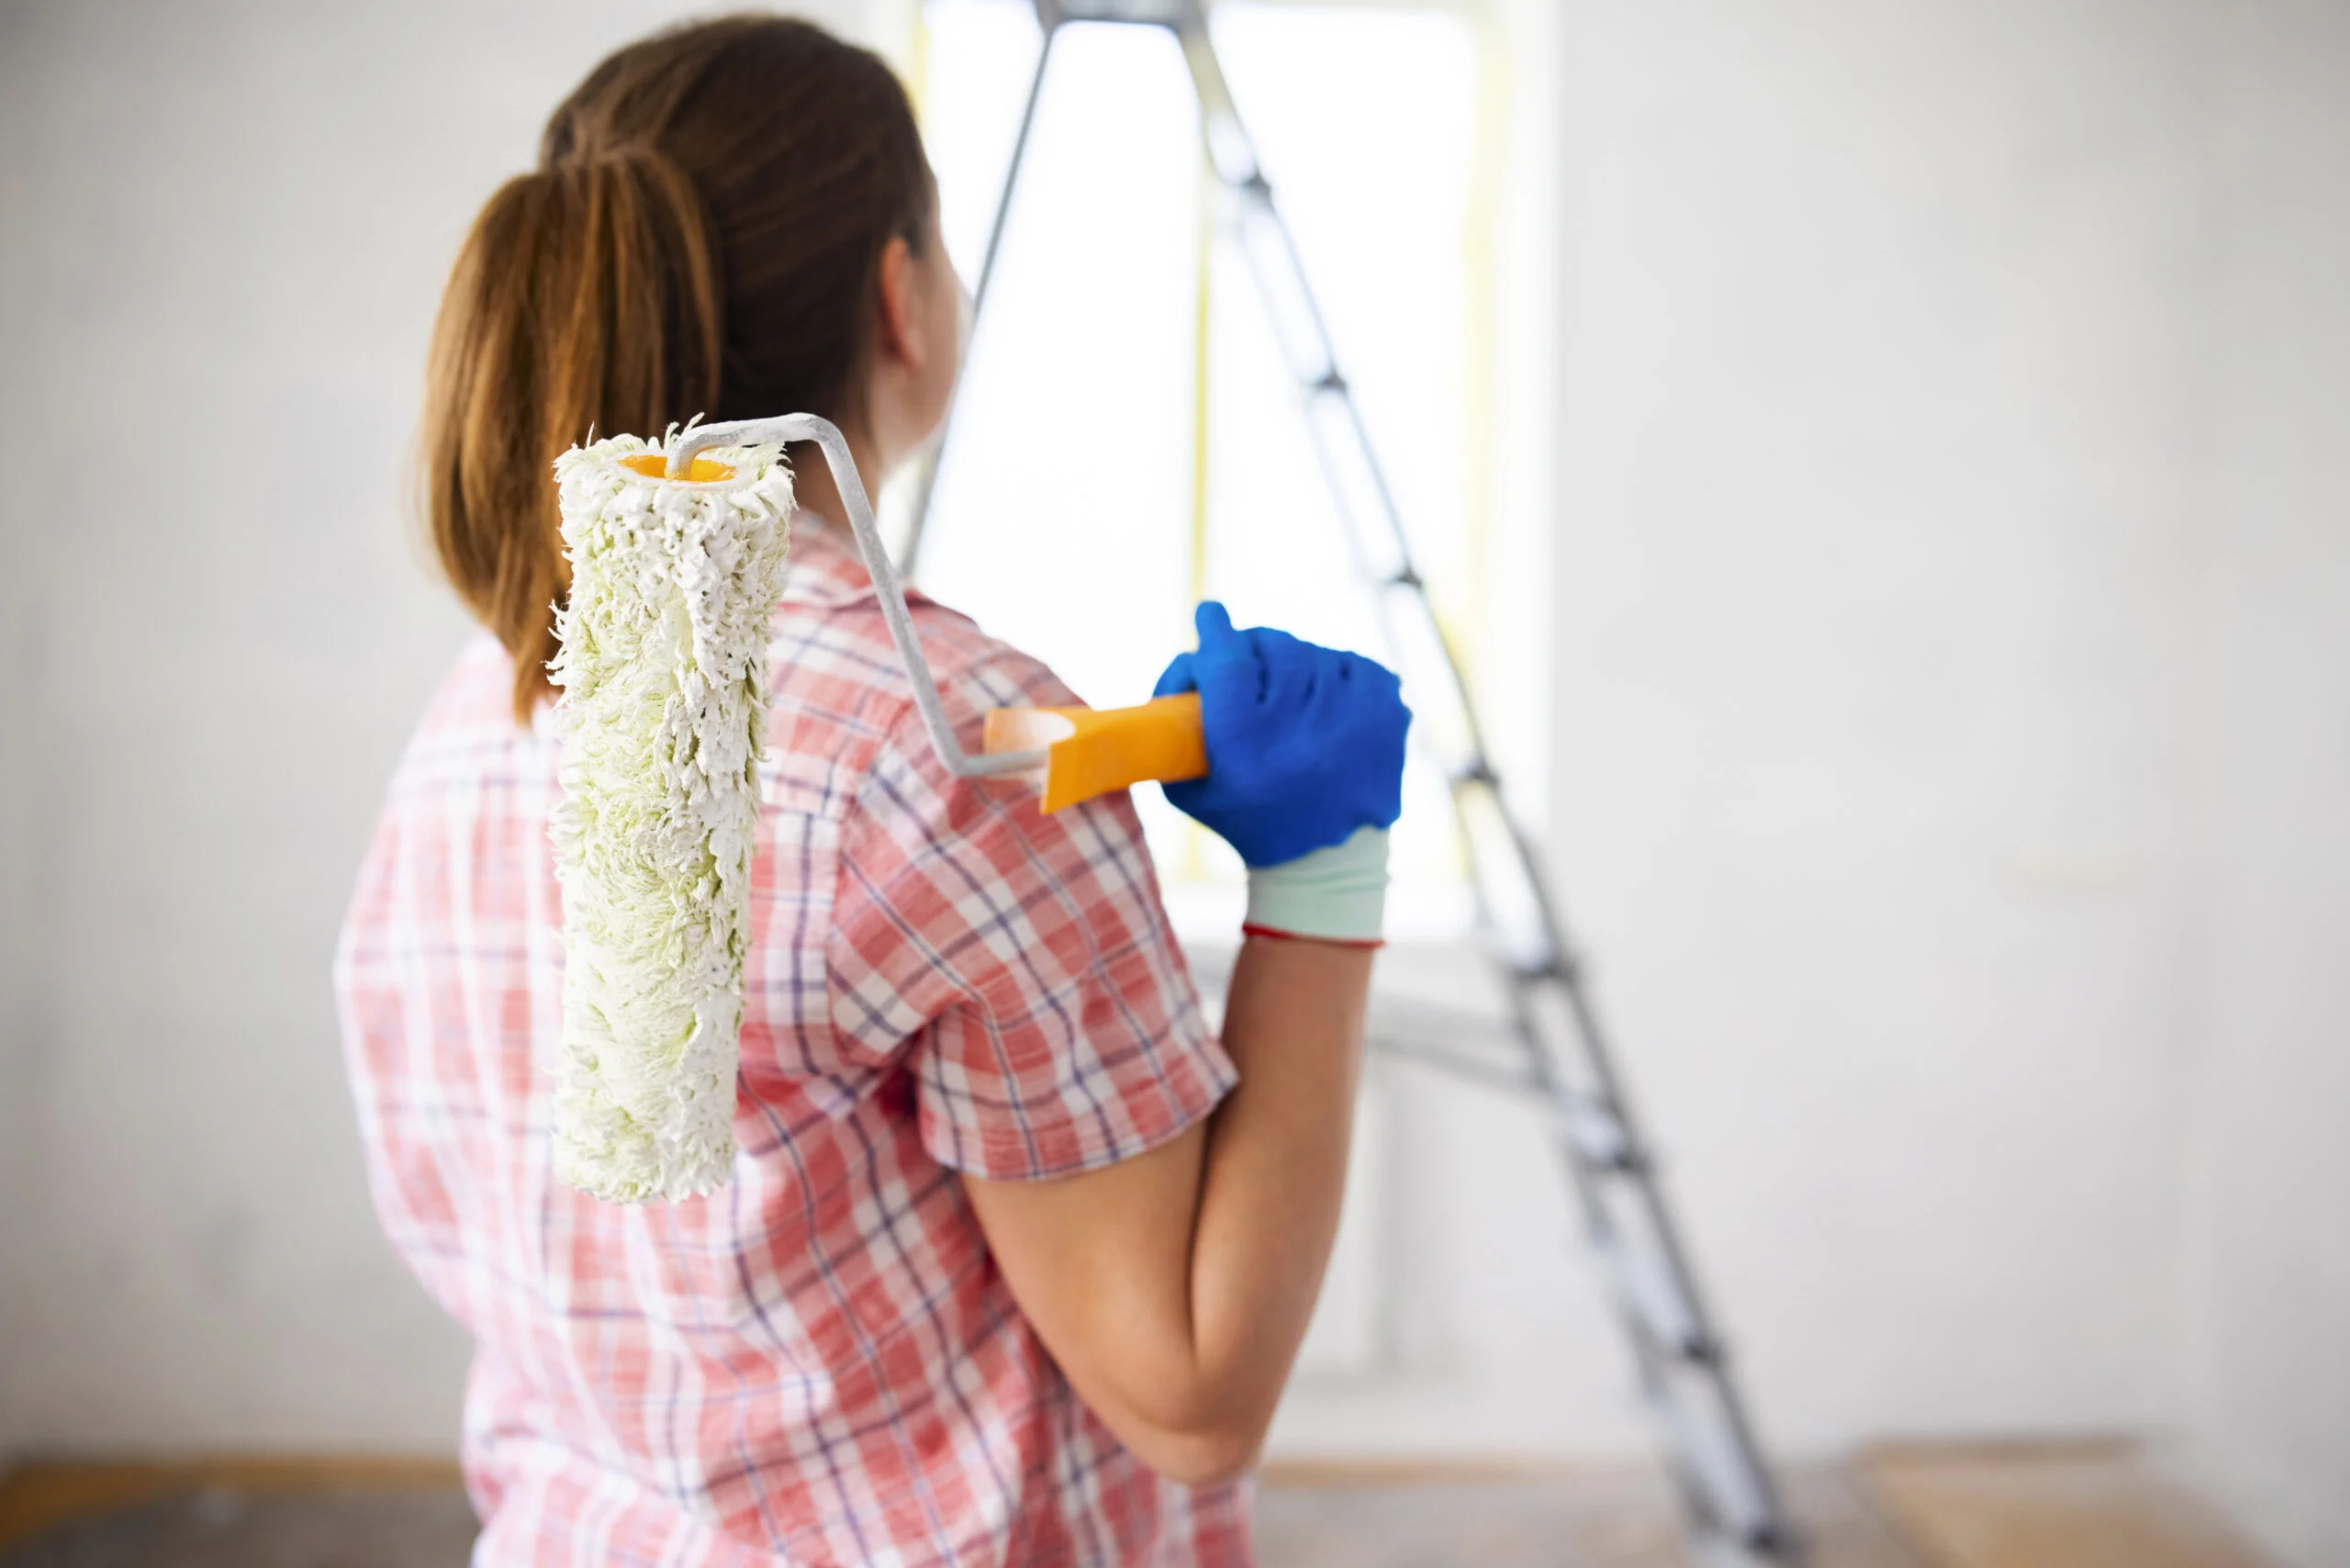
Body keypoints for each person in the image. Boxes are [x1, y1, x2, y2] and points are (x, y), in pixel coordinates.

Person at [333, 16, 1408, 1566]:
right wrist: (1322, 870)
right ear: (901, 297)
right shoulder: (947, 746)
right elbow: (1188, 1390)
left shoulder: (489, 703)